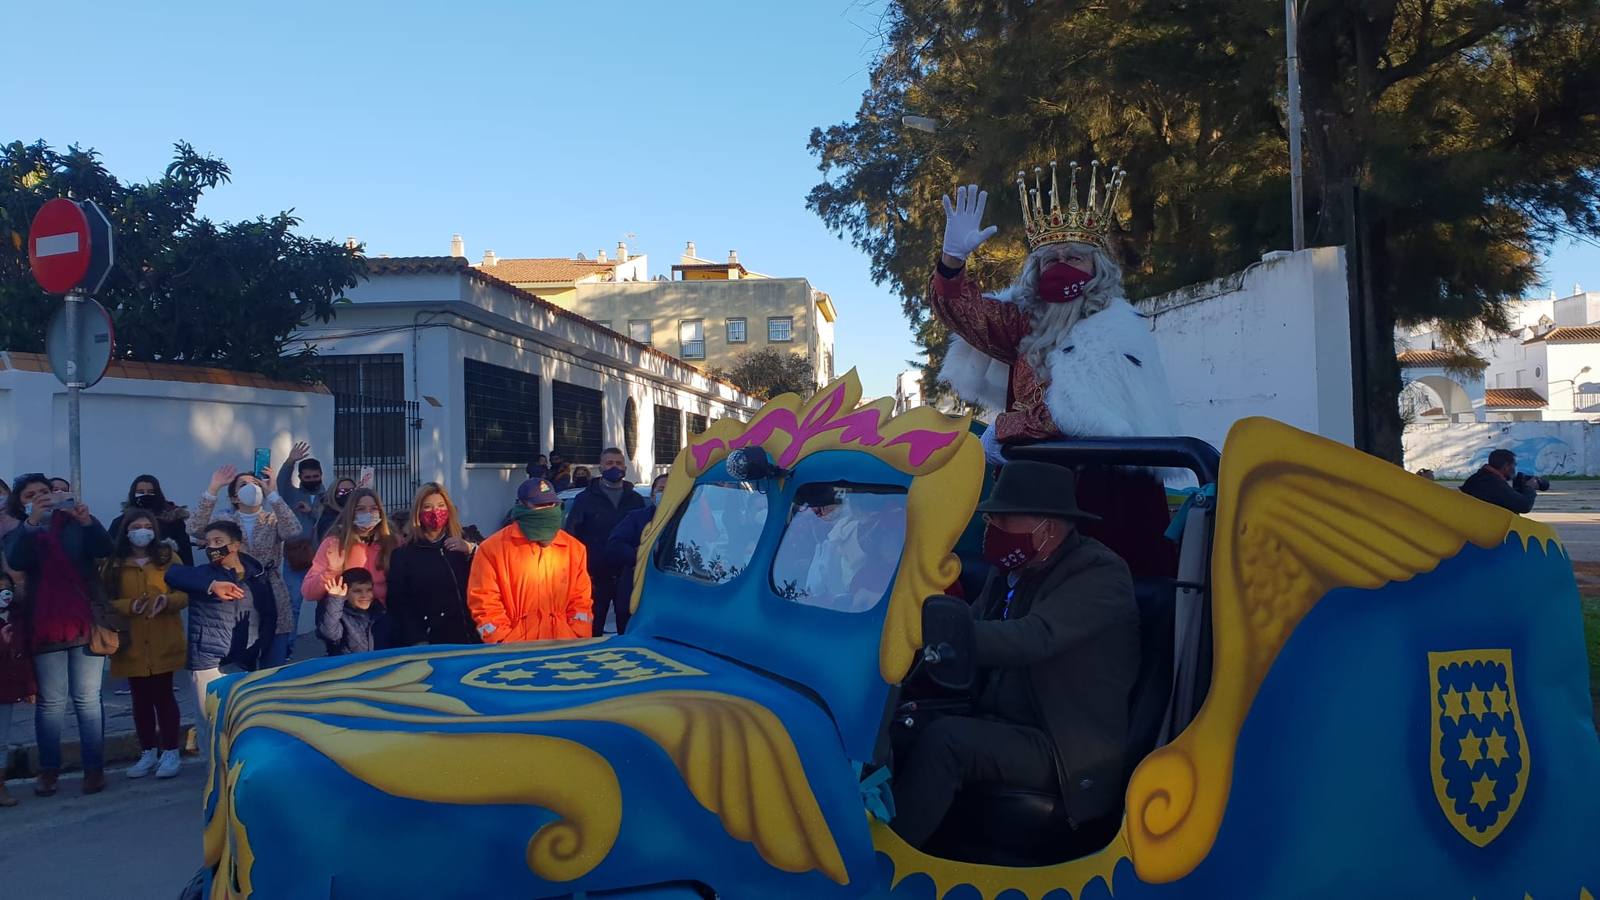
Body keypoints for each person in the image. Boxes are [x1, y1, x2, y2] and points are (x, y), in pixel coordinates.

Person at [931, 171, 1179, 577]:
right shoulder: (1027, 319)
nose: (1061, 267)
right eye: (1051, 259)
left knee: (1102, 586)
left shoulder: (1117, 329)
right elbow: (967, 316)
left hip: (1102, 491)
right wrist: (953, 261)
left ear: (1096, 266)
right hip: (1034, 487)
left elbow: (1086, 417)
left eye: (1073, 258)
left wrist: (1007, 428)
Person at [891, 462, 1139, 850]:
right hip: (1002, 719)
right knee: (900, 723)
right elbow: (970, 619)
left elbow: (1033, 638)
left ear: (1049, 526)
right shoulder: (1015, 569)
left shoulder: (1101, 575)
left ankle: (885, 864)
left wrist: (935, 632)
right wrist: (904, 633)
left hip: (1063, 747)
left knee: (946, 741)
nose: (992, 528)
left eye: (1004, 518)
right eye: (991, 517)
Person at [3, 474, 115, 797]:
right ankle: (49, 772)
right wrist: (33, 523)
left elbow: (105, 549)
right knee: (52, 703)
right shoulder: (21, 532)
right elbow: (17, 561)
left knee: (88, 700)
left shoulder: (75, 524)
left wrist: (88, 521)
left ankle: (94, 770)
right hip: (45, 625)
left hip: (84, 622)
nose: (41, 497)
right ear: (21, 502)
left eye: (45, 492)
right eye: (31, 495)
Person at [165, 521, 275, 751]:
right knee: (210, 723)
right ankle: (213, 776)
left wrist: (259, 647)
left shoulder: (258, 575)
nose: (212, 547)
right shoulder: (203, 574)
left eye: (218, 542)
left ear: (235, 545)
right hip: (208, 660)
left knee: (241, 720)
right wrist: (212, 585)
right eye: (208, 543)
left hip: (243, 659)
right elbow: (173, 575)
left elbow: (268, 615)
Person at [103, 511, 188, 780]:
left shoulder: (168, 557)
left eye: (147, 526)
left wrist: (167, 601)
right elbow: (104, 601)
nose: (142, 531)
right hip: (131, 639)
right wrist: (129, 606)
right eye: (135, 526)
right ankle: (148, 751)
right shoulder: (113, 564)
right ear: (125, 531)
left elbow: (184, 593)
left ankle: (171, 751)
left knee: (163, 695)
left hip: (163, 635)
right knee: (139, 698)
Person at [194, 464, 302, 668]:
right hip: (238, 589)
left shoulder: (271, 520)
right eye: (244, 485)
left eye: (256, 484)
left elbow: (293, 530)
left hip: (272, 590)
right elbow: (196, 529)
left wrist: (273, 494)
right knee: (242, 658)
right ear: (235, 497)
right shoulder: (224, 521)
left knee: (274, 662)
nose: (252, 488)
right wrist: (213, 489)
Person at [467, 478, 593, 643]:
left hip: (564, 646)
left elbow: (581, 600)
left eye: (551, 504)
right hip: (515, 649)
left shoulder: (574, 548)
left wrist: (577, 634)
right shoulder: (492, 549)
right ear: (522, 506)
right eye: (539, 505)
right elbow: (484, 602)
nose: (547, 510)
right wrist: (502, 640)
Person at [565, 448, 645, 635]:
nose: (614, 467)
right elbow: (572, 537)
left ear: (625, 467)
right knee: (591, 629)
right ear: (600, 467)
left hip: (628, 576)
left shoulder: (635, 499)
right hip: (594, 577)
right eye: (609, 463)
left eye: (618, 463)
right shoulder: (584, 499)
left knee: (628, 629)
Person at [387, 483, 479, 646]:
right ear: (418, 513)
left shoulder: (465, 541)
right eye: (428, 507)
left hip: (472, 637)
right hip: (433, 642)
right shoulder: (404, 555)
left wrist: (470, 550)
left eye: (441, 506)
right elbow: (400, 604)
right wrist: (417, 638)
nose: (435, 512)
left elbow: (488, 575)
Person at [301, 488, 396, 607]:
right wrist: (331, 571)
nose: (368, 513)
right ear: (351, 512)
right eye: (361, 509)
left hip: (383, 617)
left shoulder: (393, 543)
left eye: (373, 509)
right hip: (344, 619)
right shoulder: (334, 545)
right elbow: (309, 593)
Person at [601, 473, 669, 634]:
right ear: (653, 495)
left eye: (670, 490)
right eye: (661, 489)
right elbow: (614, 545)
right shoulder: (636, 518)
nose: (665, 494)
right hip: (634, 594)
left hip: (667, 596)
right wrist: (640, 555)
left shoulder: (685, 519)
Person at [276, 442, 324, 648]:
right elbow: (281, 482)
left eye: (316, 476)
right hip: (296, 558)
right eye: (308, 477)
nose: (312, 480)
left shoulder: (329, 496)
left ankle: (331, 644)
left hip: (324, 559)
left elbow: (338, 519)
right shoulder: (292, 494)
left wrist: (312, 512)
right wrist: (290, 461)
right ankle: (288, 646)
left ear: (321, 474)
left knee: (328, 605)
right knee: (292, 605)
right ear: (301, 477)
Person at [0, 570, 36, 807]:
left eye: (7, 589)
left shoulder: (16, 619)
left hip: (5, 688)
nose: (4, 594)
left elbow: (22, 657)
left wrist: (29, 687)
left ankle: (0, 784)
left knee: (2, 740)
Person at [108, 474, 194, 566]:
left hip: (166, 573)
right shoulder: (120, 522)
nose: (146, 495)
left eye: (150, 491)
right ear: (133, 494)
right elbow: (110, 551)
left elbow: (186, 555)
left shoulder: (174, 521)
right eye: (140, 492)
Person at [316, 568, 395, 655]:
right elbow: (329, 634)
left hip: (378, 664)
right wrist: (336, 599)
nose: (364, 595)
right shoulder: (339, 614)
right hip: (348, 666)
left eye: (369, 590)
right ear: (345, 593)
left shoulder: (380, 613)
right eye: (357, 591)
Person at [1460, 448, 1544, 513]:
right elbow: (1524, 505)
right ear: (1506, 466)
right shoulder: (1493, 483)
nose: (1515, 469)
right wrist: (1529, 487)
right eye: (1514, 465)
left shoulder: (1476, 478)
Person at [316, 477, 357, 543]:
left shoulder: (355, 513)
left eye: (352, 491)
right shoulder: (328, 518)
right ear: (334, 493)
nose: (348, 494)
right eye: (343, 491)